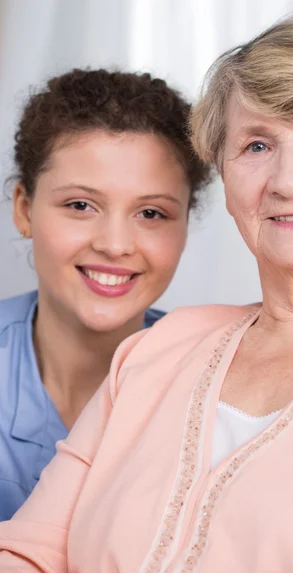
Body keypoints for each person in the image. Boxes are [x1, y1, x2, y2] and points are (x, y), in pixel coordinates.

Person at [0, 9, 293, 573]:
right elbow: (28, 559)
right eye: (256, 144)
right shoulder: (161, 348)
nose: (287, 180)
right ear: (225, 176)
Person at [0, 68, 210, 521]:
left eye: (151, 212)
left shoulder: (215, 387)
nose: (115, 244)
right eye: (80, 205)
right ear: (24, 209)